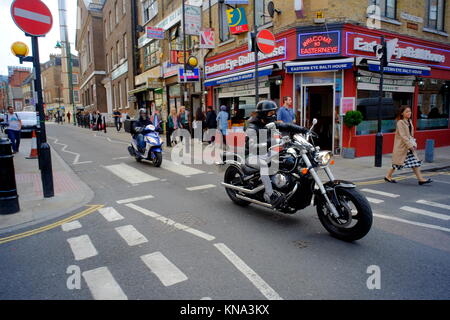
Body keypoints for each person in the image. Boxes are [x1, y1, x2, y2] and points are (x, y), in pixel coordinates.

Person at [246, 101, 308, 208]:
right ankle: (270, 195)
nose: (273, 115)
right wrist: (269, 143)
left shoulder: (271, 123)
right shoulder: (252, 127)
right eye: (270, 113)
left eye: (274, 112)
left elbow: (286, 126)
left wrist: (303, 129)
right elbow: (251, 146)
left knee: (287, 157)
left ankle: (283, 185)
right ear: (263, 114)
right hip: (253, 156)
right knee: (264, 165)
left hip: (268, 152)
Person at [385, 106, 432, 185]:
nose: (409, 113)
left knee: (414, 162)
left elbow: (410, 135)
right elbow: (403, 136)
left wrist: (413, 142)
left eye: (410, 111)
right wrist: (410, 145)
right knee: (397, 163)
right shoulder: (400, 122)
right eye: (407, 111)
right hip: (402, 147)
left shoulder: (409, 121)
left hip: (407, 146)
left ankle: (420, 179)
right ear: (402, 113)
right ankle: (388, 176)